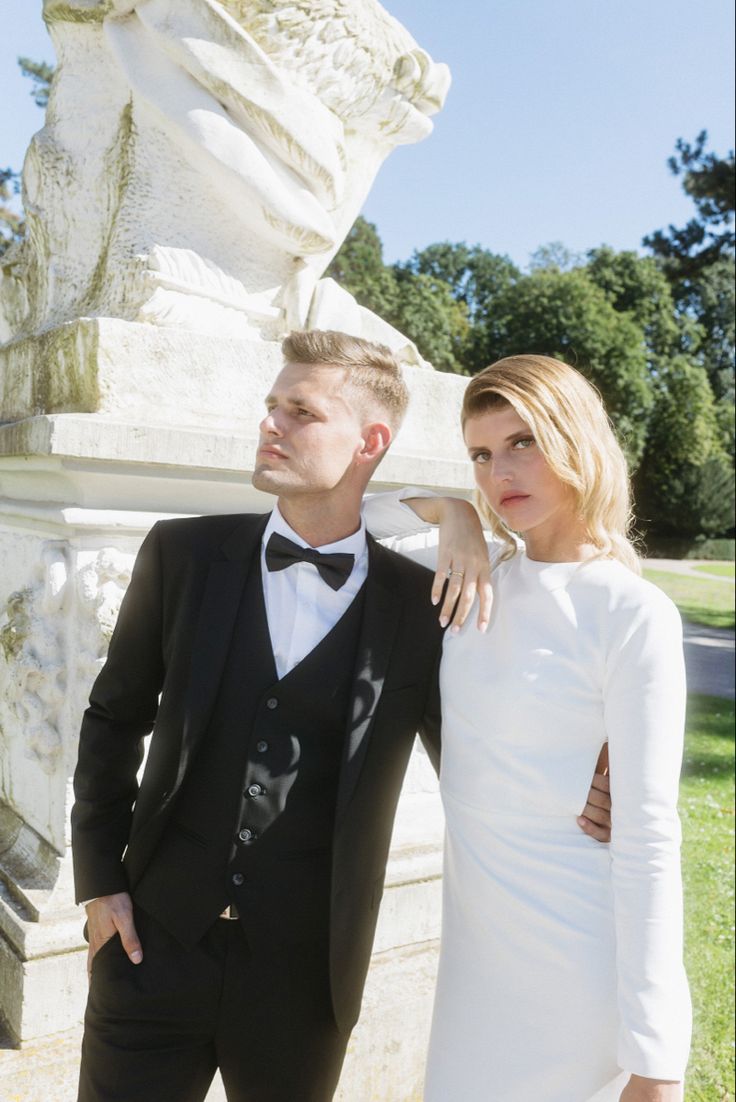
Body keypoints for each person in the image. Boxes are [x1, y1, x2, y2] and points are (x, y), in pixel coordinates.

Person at [71, 332, 609, 1102]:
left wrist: (587, 773)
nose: (272, 424)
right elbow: (113, 717)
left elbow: (478, 759)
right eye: (271, 406)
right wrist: (99, 884)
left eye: (302, 411)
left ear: (370, 442)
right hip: (149, 949)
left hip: (306, 979)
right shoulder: (184, 556)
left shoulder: (420, 611)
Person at [365, 354, 691, 1102]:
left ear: (576, 442)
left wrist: (657, 1056)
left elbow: (647, 841)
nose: (497, 473)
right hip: (476, 967)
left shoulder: (629, 613)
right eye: (480, 454)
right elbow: (349, 518)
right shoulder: (471, 579)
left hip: (576, 970)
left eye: (523, 443)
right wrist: (453, 513)